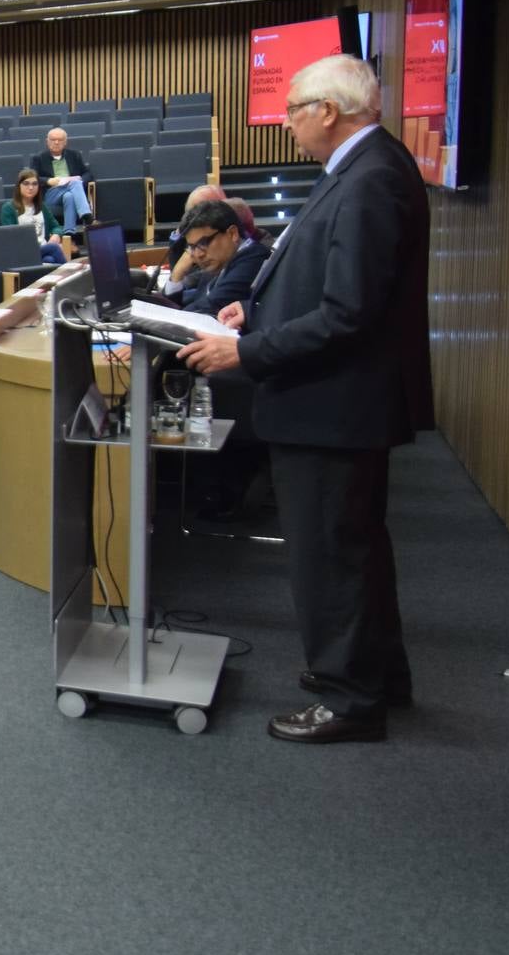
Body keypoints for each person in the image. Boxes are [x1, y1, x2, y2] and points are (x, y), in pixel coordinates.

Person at [178, 55, 430, 745]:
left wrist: (247, 352)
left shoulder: (370, 178)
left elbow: (349, 313)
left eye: (291, 110)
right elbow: (323, 287)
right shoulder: (358, 170)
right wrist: (252, 317)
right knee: (353, 547)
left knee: (330, 553)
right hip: (333, 400)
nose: (284, 124)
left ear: (327, 110)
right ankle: (376, 673)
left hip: (334, 405)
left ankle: (350, 700)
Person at [171, 198, 269, 316]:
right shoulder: (218, 262)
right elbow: (192, 304)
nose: (198, 254)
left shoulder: (254, 258)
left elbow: (211, 306)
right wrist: (177, 274)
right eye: (192, 246)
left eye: (203, 242)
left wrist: (170, 317)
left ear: (233, 234)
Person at [32, 128, 94, 233]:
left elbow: (88, 174)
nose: (56, 142)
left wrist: (81, 181)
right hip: (51, 193)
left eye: (60, 140)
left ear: (65, 142)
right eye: (53, 139)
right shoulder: (38, 158)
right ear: (47, 141)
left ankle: (69, 233)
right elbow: (32, 177)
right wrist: (48, 181)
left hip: (71, 191)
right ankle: (86, 215)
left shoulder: (74, 155)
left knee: (69, 196)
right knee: (74, 183)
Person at [0, 168, 66, 263]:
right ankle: (71, 272)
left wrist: (56, 234)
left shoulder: (42, 206)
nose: (31, 187)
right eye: (26, 183)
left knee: (49, 260)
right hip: (23, 252)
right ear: (19, 186)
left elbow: (56, 226)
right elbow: (10, 237)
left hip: (43, 249)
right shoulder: (9, 208)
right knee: (54, 248)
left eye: (34, 184)